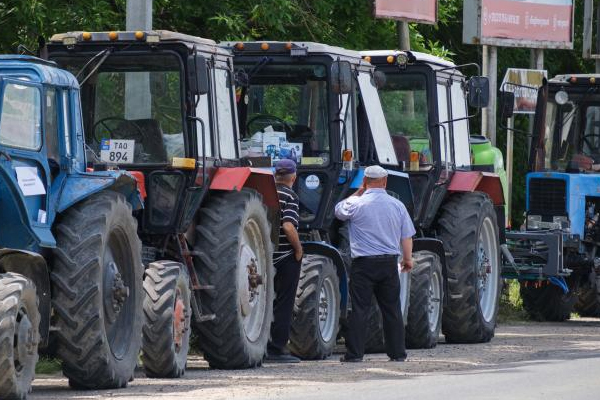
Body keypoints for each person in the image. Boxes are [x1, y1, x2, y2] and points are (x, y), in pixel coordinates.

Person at [335, 165, 415, 362]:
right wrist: (407, 259)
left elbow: (339, 212)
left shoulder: (356, 204)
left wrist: (357, 193)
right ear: (385, 181)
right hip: (389, 263)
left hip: (363, 264)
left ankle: (354, 354)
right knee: (391, 309)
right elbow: (406, 236)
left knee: (360, 309)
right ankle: (397, 354)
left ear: (364, 181)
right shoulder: (397, 205)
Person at [265, 159, 304, 363]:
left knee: (265, 301)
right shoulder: (290, 195)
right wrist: (298, 250)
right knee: (284, 303)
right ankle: (277, 348)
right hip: (285, 256)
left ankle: (262, 344)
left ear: (275, 175)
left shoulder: (265, 194)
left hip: (265, 256)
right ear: (293, 177)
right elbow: (289, 227)